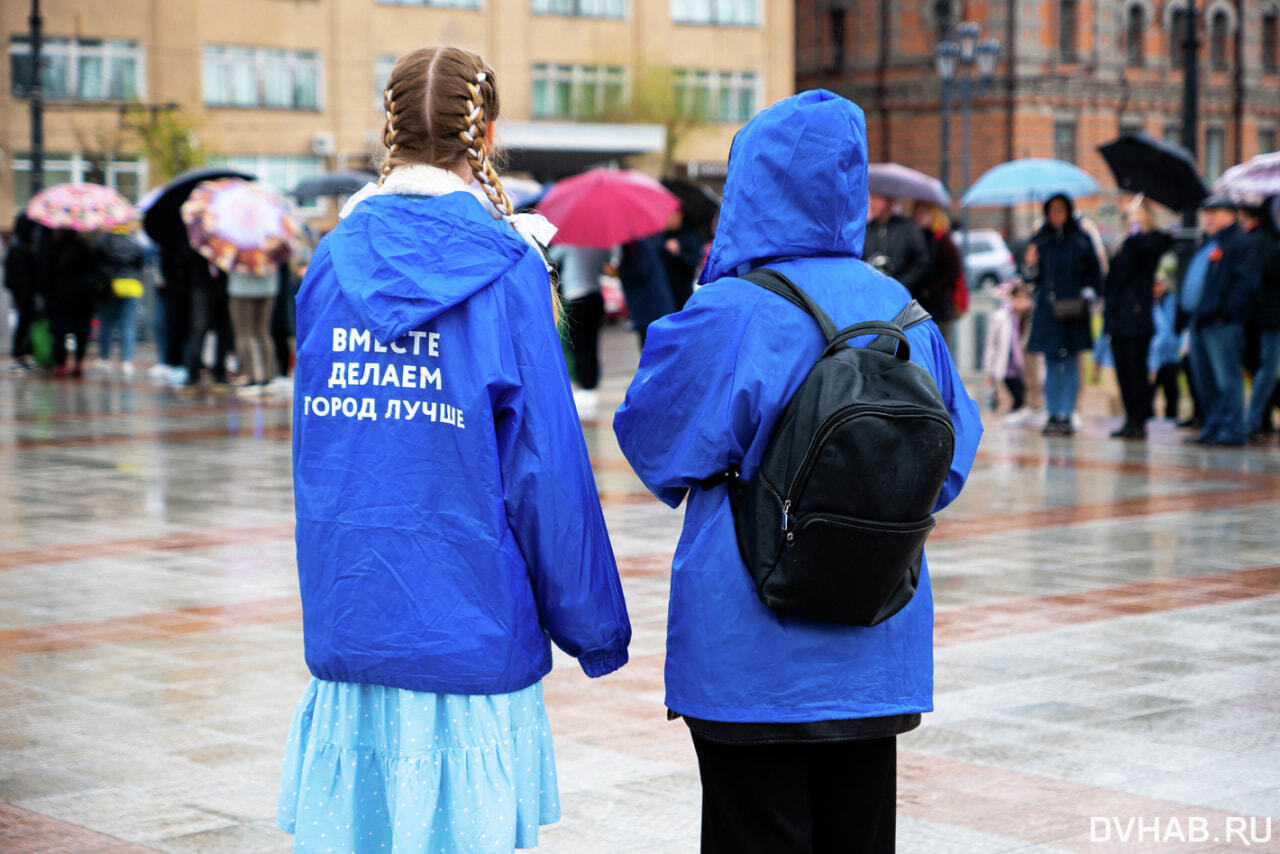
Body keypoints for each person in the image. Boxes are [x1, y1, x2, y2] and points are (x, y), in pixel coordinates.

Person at [278, 46, 631, 854]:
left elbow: (318, 453)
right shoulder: (508, 270)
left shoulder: (330, 264)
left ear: (386, 132)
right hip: (471, 627)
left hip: (356, 617)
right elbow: (545, 470)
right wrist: (594, 625)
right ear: (489, 134)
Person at [613, 90, 981, 854]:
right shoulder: (904, 312)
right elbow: (949, 461)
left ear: (751, 183)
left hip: (749, 656)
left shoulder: (730, 311)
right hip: (877, 646)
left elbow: (654, 448)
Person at [1025, 193, 1101, 436]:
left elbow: (1095, 274)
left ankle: (1067, 413)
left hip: (1073, 309)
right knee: (1050, 362)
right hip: (1048, 310)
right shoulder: (1041, 241)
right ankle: (1053, 412)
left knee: (1069, 363)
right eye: (1052, 210)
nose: (1056, 215)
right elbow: (1030, 278)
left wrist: (1088, 293)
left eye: (1061, 209)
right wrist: (1030, 264)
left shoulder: (1080, 239)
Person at [1187, 195, 1261, 446]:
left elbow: (1245, 284)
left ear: (1230, 215)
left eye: (1214, 212)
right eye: (1207, 212)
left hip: (1223, 322)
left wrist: (1225, 312)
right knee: (1205, 378)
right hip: (1203, 320)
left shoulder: (1241, 243)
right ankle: (1213, 426)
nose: (1208, 217)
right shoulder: (1210, 244)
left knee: (1226, 377)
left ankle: (1231, 430)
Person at [1102, 197, 1173, 439]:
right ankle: (1130, 417)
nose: (1132, 220)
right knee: (1123, 370)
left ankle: (1139, 419)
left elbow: (1151, 251)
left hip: (1137, 317)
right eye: (1129, 216)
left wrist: (1138, 235)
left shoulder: (1149, 242)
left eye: (1137, 215)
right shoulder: (1123, 245)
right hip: (1119, 318)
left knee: (1136, 370)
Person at [548, 243, 610, 413]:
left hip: (576, 297)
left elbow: (551, 258)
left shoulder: (568, 244)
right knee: (592, 342)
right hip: (596, 296)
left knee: (578, 343)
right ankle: (592, 384)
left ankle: (585, 387)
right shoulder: (599, 245)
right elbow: (607, 262)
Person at [1244, 197, 1280, 443]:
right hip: (1268, 316)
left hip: (1268, 315)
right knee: (1266, 369)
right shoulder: (1264, 240)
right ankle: (1254, 421)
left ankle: (1260, 419)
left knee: (1266, 369)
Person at [45, 229, 102, 378]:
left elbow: (46, 273)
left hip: (59, 296)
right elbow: (94, 269)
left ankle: (62, 364)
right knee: (81, 332)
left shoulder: (53, 247)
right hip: (82, 297)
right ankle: (78, 363)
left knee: (60, 333)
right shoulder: (84, 247)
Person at [94, 223, 147, 380]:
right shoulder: (134, 242)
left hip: (111, 287)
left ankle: (105, 358)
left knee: (107, 323)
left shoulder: (103, 242)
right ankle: (127, 360)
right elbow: (141, 263)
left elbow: (97, 264)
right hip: (132, 287)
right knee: (128, 324)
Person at [911, 201, 960, 346]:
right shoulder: (919, 237)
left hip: (938, 305)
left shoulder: (943, 240)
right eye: (917, 213)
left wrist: (931, 289)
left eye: (923, 213)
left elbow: (952, 271)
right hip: (921, 304)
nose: (919, 217)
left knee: (938, 347)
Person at [225, 265, 278, 396]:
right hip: (267, 285)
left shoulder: (238, 244)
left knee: (243, 333)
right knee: (263, 332)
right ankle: (267, 378)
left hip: (241, 286)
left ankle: (249, 377)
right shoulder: (269, 243)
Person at [616, 233, 675, 349]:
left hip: (647, 308)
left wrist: (620, 270)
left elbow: (639, 270)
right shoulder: (644, 241)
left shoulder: (633, 244)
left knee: (650, 351)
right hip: (655, 307)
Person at [862, 193, 928, 293]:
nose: (872, 203)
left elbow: (921, 261)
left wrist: (900, 284)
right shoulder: (866, 229)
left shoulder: (907, 228)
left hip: (902, 296)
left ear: (889, 202)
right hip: (872, 293)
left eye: (877, 198)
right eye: (872, 198)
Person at [984, 281, 1031, 419]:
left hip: (1027, 368)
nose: (1021, 302)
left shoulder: (1032, 317)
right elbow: (992, 344)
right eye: (1018, 298)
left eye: (1024, 298)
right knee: (1017, 400)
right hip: (1008, 367)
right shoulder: (1001, 317)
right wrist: (989, 370)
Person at [3, 214, 41, 372]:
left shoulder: (20, 245)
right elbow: (19, 275)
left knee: (25, 324)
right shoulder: (20, 247)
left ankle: (23, 355)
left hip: (24, 293)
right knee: (24, 325)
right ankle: (20, 356)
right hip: (24, 294)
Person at [1149, 269, 1181, 421]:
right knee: (1149, 391)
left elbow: (1167, 330)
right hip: (1152, 356)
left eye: (1159, 284)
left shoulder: (1171, 301)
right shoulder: (1150, 302)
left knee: (1171, 390)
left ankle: (1171, 418)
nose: (1156, 288)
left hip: (1169, 354)